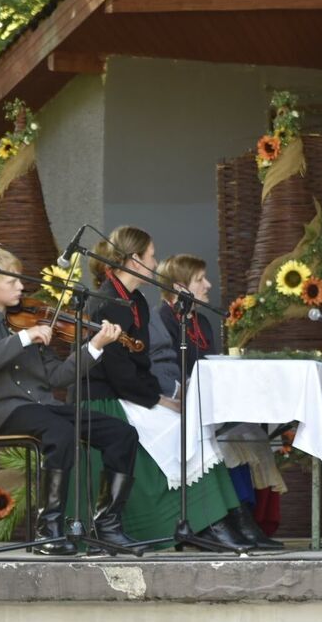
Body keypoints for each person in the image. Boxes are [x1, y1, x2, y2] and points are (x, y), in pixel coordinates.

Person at [0, 246, 141, 556]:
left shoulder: (29, 321)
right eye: (13, 281)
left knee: (122, 434)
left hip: (47, 408)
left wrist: (95, 346)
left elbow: (57, 377)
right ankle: (49, 530)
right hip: (11, 412)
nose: (21, 286)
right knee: (59, 434)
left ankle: (108, 526)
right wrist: (23, 338)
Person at [84, 226, 251, 551]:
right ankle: (207, 524)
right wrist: (158, 399)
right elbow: (117, 372)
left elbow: (141, 362)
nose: (155, 262)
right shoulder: (106, 303)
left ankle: (215, 521)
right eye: (151, 256)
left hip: (131, 393)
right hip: (106, 399)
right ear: (133, 260)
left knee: (191, 426)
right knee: (180, 428)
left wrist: (162, 398)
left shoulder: (136, 302)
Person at [150, 253, 282, 550]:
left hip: (208, 403)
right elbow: (166, 370)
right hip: (177, 405)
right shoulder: (161, 319)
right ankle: (231, 519)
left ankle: (246, 519)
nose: (208, 285)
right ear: (180, 287)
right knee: (224, 438)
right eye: (200, 280)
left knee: (249, 433)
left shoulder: (203, 322)